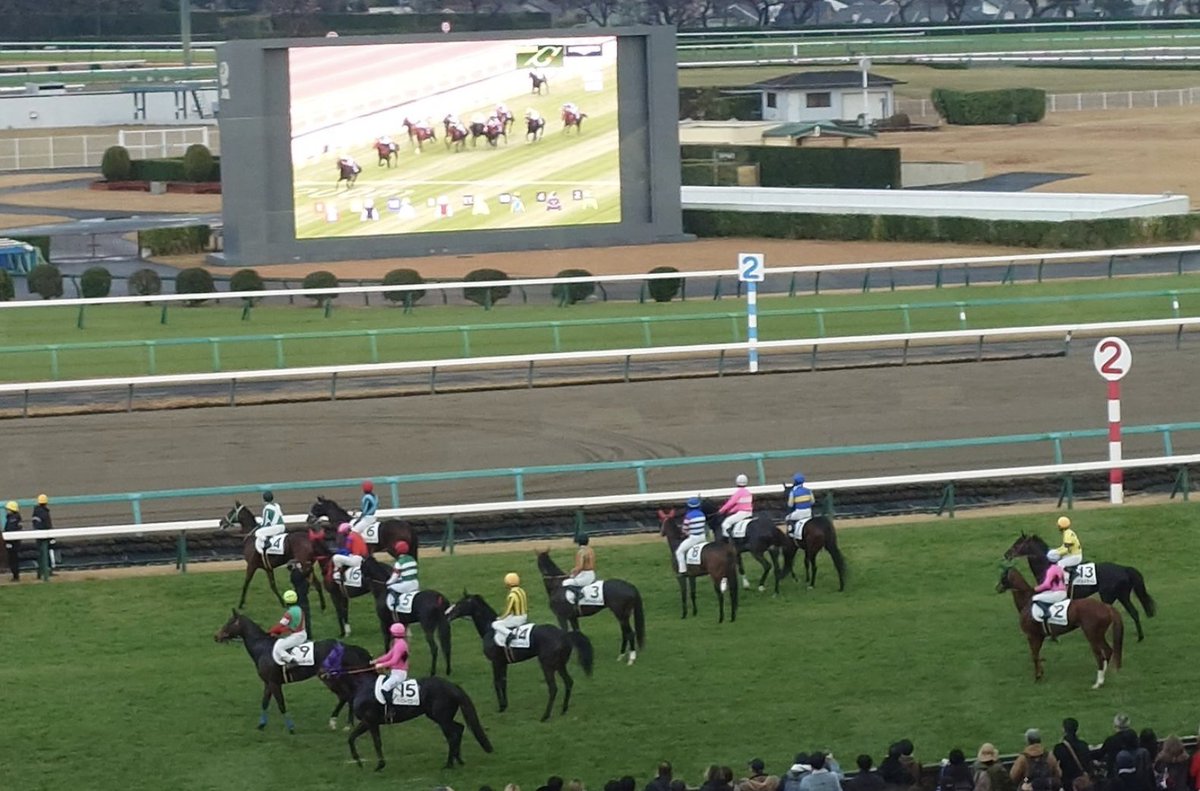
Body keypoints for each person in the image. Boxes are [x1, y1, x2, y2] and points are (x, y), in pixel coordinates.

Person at [374, 622, 410, 709]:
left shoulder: (400, 645)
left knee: (384, 688)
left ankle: (391, 709)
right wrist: (376, 661)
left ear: (393, 633)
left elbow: (394, 661)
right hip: (396, 672)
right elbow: (388, 656)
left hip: (399, 674)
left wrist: (381, 665)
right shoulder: (398, 643)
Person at [268, 589, 308, 666]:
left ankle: (292, 661)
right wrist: (280, 631)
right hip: (301, 634)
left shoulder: (289, 613)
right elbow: (290, 627)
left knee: (279, 648)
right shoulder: (299, 609)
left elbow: (280, 625)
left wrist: (270, 632)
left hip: (297, 636)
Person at [1053, 719, 1094, 790]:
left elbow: (1055, 766)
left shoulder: (1059, 748)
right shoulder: (1083, 745)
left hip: (1067, 783)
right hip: (1083, 782)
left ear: (1063, 729)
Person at [491, 572, 529, 649]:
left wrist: (500, 618)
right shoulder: (521, 591)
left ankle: (509, 634)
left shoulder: (512, 595)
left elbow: (508, 611)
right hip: (524, 615)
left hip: (517, 618)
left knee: (495, 624)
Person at [1031, 550, 1068, 625]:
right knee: (1045, 593)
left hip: (1057, 593)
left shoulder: (1051, 569)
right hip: (1063, 592)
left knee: (1035, 598)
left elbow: (1047, 585)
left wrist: (1036, 589)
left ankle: (1046, 612)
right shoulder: (1060, 567)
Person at [676, 496, 708, 574]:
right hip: (703, 537)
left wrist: (686, 533)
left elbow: (684, 529)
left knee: (679, 552)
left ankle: (682, 570)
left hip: (693, 538)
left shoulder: (688, 516)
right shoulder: (702, 514)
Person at [562, 533, 596, 605]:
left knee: (565, 582)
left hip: (585, 576)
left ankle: (579, 593)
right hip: (592, 574)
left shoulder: (581, 552)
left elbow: (579, 567)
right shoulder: (591, 550)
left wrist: (571, 573)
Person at [717, 474, 754, 539]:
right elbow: (740, 505)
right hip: (749, 512)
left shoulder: (738, 493)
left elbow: (730, 503)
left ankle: (729, 541)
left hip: (742, 513)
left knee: (726, 523)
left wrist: (721, 510)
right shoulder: (748, 492)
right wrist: (731, 511)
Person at [385, 540, 419, 606]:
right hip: (416, 583)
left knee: (390, 587)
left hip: (406, 585)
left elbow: (394, 578)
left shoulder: (399, 562)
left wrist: (387, 583)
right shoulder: (412, 559)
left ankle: (395, 601)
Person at [784, 472, 814, 541]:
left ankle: (791, 532)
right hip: (809, 512)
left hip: (799, 513)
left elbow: (790, 505)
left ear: (795, 482)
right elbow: (812, 502)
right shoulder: (808, 490)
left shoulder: (793, 492)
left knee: (787, 518)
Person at [255, 491, 286, 556]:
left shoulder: (266, 508)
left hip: (276, 528)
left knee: (258, 533)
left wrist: (260, 525)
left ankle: (266, 542)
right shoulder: (277, 505)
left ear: (263, 499)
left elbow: (265, 523)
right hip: (282, 526)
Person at [31, 493, 55, 575]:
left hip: (38, 535)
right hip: (45, 535)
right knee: (46, 554)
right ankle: (48, 571)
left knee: (40, 554)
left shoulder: (35, 512)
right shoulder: (45, 512)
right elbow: (48, 525)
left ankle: (40, 572)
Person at [3, 500, 22, 582]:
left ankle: (16, 576)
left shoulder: (13, 519)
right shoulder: (15, 518)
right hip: (14, 542)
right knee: (13, 559)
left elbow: (10, 530)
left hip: (13, 542)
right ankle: (15, 575)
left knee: (13, 559)